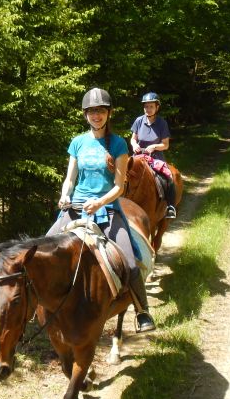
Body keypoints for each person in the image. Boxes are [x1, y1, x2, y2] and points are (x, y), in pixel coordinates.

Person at [47, 88, 155, 332]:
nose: (96, 115)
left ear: (109, 113)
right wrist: (65, 195)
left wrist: (99, 203)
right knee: (44, 249)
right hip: (75, 209)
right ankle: (39, 306)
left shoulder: (118, 144)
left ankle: (142, 311)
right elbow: (70, 179)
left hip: (107, 210)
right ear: (85, 114)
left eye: (101, 111)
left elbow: (119, 187)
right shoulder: (77, 142)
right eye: (92, 111)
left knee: (128, 262)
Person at [130, 92, 176, 218]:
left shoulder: (162, 123)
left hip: (155, 157)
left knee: (168, 176)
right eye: (146, 106)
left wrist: (154, 147)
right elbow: (133, 139)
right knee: (125, 174)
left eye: (151, 106)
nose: (148, 109)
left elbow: (165, 145)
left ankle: (170, 206)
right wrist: (134, 145)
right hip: (139, 156)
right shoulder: (139, 121)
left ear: (157, 107)